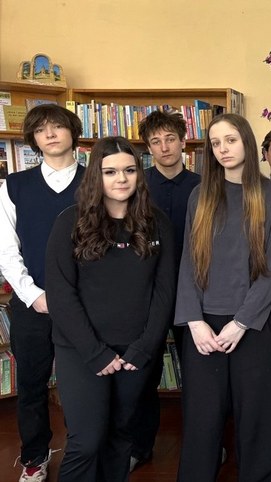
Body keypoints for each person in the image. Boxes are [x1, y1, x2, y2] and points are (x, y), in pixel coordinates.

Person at [45, 136, 176, 482]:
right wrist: (95, 352)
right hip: (81, 351)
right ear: (96, 176)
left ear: (139, 174)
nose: (121, 178)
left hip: (135, 353)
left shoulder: (157, 223)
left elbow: (164, 292)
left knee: (121, 438)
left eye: (129, 170)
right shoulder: (70, 222)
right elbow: (61, 295)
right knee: (86, 442)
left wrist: (145, 348)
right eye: (110, 171)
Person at [175, 113, 271, 482]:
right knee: (202, 420)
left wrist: (241, 323)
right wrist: (195, 322)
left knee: (258, 420)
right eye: (216, 143)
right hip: (204, 327)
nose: (223, 149)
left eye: (231, 140)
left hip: (254, 325)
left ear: (247, 143)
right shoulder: (200, 195)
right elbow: (189, 262)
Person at [0, 104, 84, 482]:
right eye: (40, 129)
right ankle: (34, 458)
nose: (49, 134)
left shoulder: (98, 180)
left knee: (85, 383)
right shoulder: (14, 185)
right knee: (32, 384)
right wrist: (34, 295)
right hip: (31, 303)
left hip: (85, 304)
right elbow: (6, 250)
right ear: (33, 139)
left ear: (72, 132)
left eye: (57, 127)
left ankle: (85, 453)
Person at [128, 108, 201, 472]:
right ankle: (140, 446)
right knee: (144, 370)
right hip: (148, 292)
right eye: (155, 141)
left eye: (170, 139)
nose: (164, 147)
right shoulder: (136, 185)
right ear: (148, 148)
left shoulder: (204, 185)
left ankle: (203, 446)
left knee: (199, 373)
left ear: (183, 141)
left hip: (195, 291)